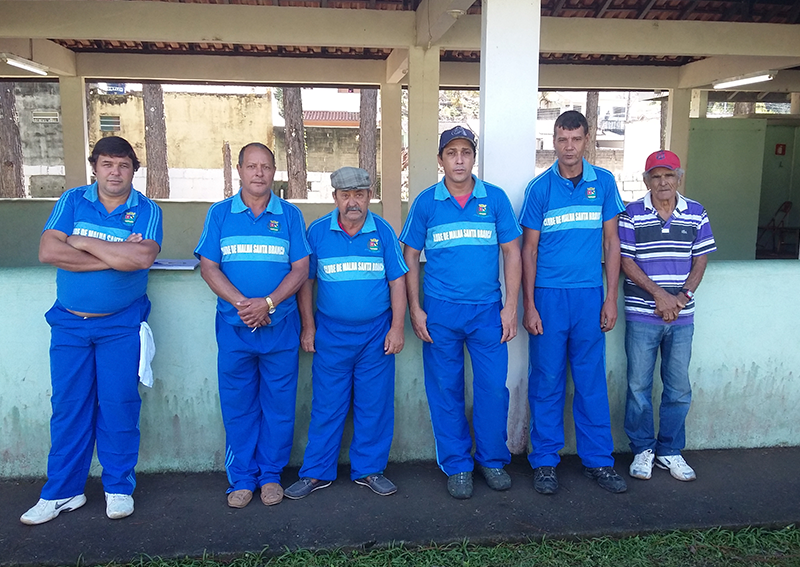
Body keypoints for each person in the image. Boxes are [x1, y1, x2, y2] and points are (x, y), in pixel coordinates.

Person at [21, 136, 163, 525]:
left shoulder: (147, 209)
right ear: (95, 167)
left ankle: (118, 487)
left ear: (134, 170)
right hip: (69, 323)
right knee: (69, 407)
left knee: (118, 405)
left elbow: (142, 258)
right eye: (107, 164)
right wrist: (114, 255)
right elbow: (49, 251)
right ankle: (63, 492)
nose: (115, 172)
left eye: (123, 165)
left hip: (121, 324)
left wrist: (83, 242)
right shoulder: (71, 201)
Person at [400, 126, 522, 499]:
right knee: (445, 389)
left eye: (465, 152)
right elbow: (409, 256)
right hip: (440, 312)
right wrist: (416, 309)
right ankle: (457, 465)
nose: (458, 159)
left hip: (487, 311)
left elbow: (513, 252)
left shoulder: (495, 199)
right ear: (440, 160)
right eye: (451, 153)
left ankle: (492, 460)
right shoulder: (426, 202)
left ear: (473, 158)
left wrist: (511, 308)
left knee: (492, 389)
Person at [194, 142, 310, 508]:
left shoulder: (290, 215)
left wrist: (269, 303)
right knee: (239, 405)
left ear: (273, 171)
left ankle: (271, 476)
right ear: (240, 170)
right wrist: (243, 305)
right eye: (251, 166)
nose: (258, 173)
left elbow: (301, 269)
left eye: (265, 166)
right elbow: (209, 267)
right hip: (234, 326)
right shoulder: (220, 214)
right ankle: (242, 478)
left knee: (278, 405)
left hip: (280, 326)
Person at [520, 110, 627, 495]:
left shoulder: (604, 183)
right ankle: (545, 462)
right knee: (546, 381)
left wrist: (610, 297)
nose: (569, 147)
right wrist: (528, 305)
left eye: (576, 139)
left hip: (588, 296)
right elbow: (528, 250)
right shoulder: (539, 189)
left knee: (591, 381)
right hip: (548, 298)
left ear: (587, 139)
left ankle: (598, 461)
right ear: (554, 140)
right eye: (562, 140)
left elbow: (612, 242)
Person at [284, 167, 408, 499]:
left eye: (359, 194)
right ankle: (315, 473)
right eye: (345, 195)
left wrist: (397, 327)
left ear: (369, 196)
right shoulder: (318, 232)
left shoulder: (382, 232)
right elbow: (305, 282)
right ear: (335, 197)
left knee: (373, 405)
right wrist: (309, 327)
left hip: (375, 335)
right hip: (332, 334)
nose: (352, 202)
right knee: (327, 405)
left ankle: (369, 470)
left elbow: (398, 282)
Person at [619, 150, 716, 482]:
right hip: (642, 315)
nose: (663, 182)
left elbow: (700, 259)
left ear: (679, 178)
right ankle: (643, 449)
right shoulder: (631, 213)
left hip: (681, 316)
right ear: (646, 180)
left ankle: (670, 451)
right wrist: (660, 295)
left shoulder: (696, 213)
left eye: (669, 175)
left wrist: (681, 297)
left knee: (677, 388)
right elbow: (626, 261)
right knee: (638, 387)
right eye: (656, 176)